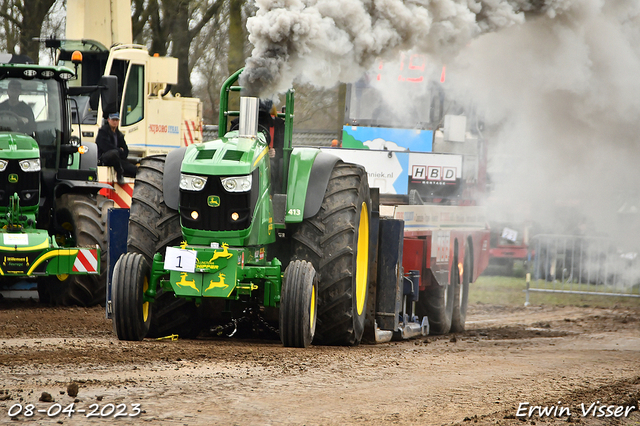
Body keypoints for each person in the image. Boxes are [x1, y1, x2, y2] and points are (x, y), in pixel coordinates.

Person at [95, 112, 137, 185]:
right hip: (104, 158)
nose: (115, 122)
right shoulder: (103, 132)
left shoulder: (119, 134)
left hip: (118, 160)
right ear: (108, 120)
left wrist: (120, 151)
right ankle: (119, 173)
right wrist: (119, 150)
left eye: (116, 120)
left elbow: (126, 151)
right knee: (113, 153)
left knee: (135, 170)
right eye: (113, 120)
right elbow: (106, 147)